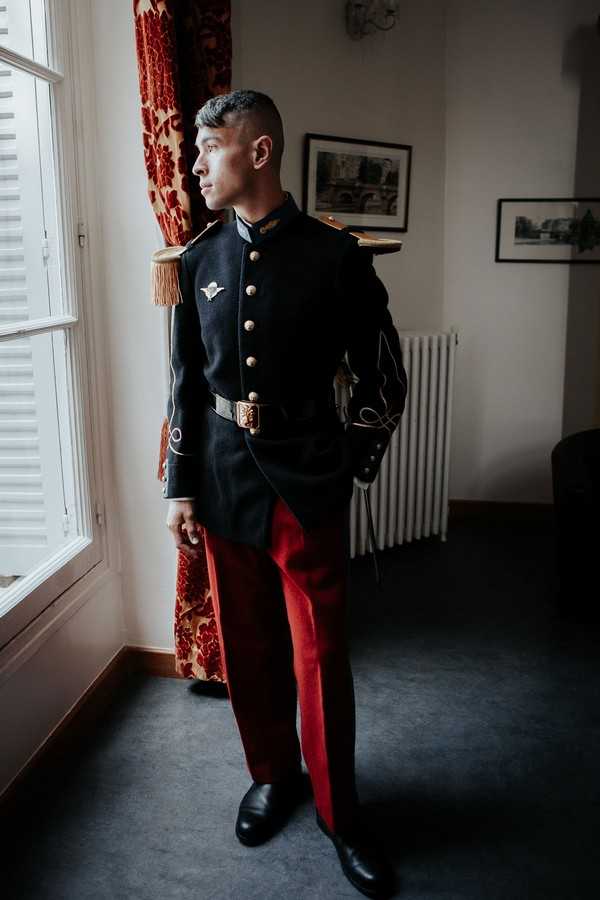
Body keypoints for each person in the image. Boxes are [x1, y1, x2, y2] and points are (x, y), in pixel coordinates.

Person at [163, 89, 407, 898]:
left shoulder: (338, 256)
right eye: (196, 151)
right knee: (250, 647)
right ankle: (271, 775)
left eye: (210, 149)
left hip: (308, 480)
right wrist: (180, 486)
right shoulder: (197, 260)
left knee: (320, 655)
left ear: (259, 153)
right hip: (227, 478)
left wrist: (351, 463)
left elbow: (382, 376)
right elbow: (185, 387)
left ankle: (342, 813)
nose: (196, 164)